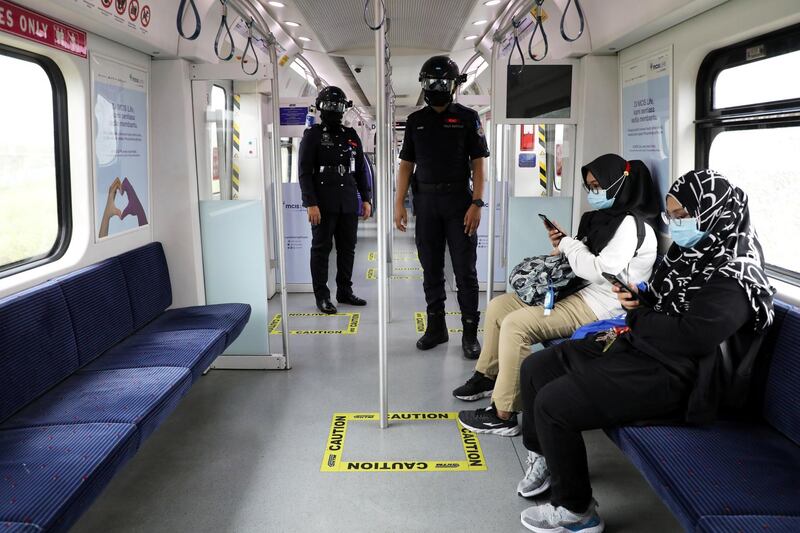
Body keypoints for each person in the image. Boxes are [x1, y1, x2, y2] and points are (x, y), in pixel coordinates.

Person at [515, 170, 775, 533]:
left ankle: (577, 512)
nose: (677, 224)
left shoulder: (734, 275)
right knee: (539, 368)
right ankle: (546, 456)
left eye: (683, 215)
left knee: (554, 403)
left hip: (680, 376)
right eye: (672, 216)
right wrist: (641, 297)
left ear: (716, 212)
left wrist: (638, 314)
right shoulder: (690, 255)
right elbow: (663, 301)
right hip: (644, 349)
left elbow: (693, 338)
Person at [456, 154, 660, 436]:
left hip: (600, 304)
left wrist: (569, 245)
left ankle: (503, 413)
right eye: (589, 186)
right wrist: (566, 243)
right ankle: (488, 375)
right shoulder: (601, 219)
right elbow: (582, 257)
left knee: (517, 325)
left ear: (618, 183)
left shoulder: (631, 226)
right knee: (498, 306)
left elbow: (599, 270)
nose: (593, 193)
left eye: (598, 185)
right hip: (576, 291)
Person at [394, 55, 489, 359]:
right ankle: (436, 327)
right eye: (430, 82)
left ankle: (470, 332)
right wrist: (399, 203)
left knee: (465, 270)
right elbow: (406, 166)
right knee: (430, 268)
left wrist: (477, 202)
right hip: (426, 204)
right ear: (422, 85)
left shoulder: (467, 117)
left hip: (460, 202)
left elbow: (478, 166)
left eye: (442, 82)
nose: (436, 87)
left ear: (453, 85)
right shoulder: (415, 121)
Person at [299, 86, 372, 314]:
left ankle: (344, 291)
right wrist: (311, 203)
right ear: (321, 107)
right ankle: (322, 296)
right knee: (321, 250)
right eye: (330, 105)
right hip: (323, 202)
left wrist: (367, 199)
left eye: (338, 106)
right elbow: (304, 171)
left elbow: (360, 169)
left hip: (348, 201)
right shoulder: (313, 135)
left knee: (347, 249)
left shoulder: (351, 136)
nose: (334, 110)